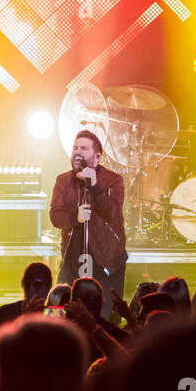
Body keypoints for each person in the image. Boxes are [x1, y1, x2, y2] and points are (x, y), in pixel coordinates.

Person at [49, 130, 126, 318]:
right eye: (75, 148)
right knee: (59, 311)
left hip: (106, 258)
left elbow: (113, 213)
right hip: (73, 256)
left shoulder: (113, 180)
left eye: (84, 148)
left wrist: (94, 186)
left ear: (97, 156)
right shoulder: (63, 180)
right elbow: (55, 216)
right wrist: (75, 218)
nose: (77, 152)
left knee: (105, 316)